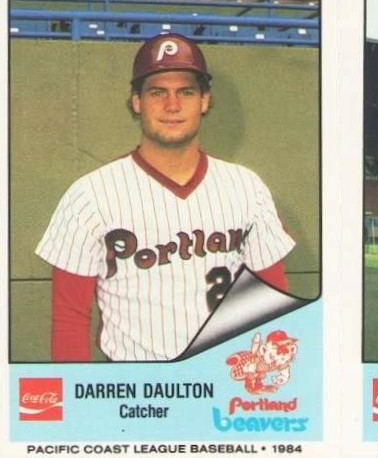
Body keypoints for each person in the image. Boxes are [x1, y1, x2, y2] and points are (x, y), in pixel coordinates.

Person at [36, 33, 295, 362]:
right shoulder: (89, 196)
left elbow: (275, 303)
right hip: (134, 390)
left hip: (227, 382)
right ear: (136, 101)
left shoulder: (247, 187)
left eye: (185, 92)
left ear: (204, 100)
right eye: (157, 92)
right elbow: (70, 318)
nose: (172, 105)